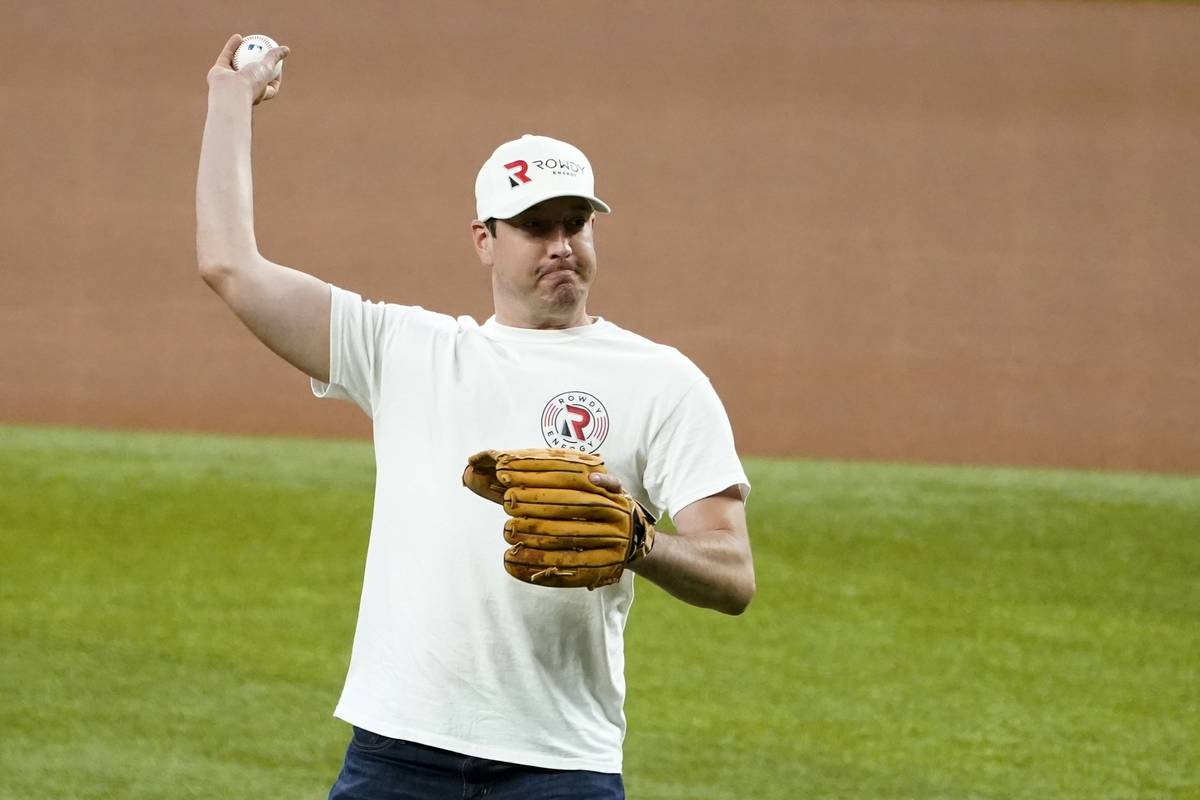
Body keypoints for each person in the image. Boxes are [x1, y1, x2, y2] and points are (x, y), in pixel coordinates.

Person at [197, 35, 755, 800]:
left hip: (561, 764)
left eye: (576, 223)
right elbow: (230, 265)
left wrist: (640, 543)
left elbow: (733, 575)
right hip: (397, 752)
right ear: (484, 240)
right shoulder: (402, 350)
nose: (561, 245)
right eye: (535, 226)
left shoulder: (663, 380)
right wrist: (230, 101)